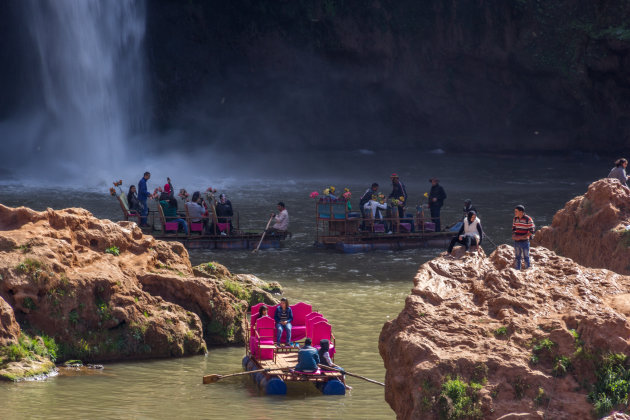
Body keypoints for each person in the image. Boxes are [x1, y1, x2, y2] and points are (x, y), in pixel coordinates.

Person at [512, 204, 535, 270]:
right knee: (517, 257)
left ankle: (527, 271)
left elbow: (532, 231)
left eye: (516, 211)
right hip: (516, 242)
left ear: (521, 212)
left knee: (526, 257)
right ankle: (517, 271)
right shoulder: (515, 219)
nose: (515, 213)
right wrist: (514, 236)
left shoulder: (528, 219)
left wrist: (521, 237)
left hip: (525, 242)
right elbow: (514, 229)